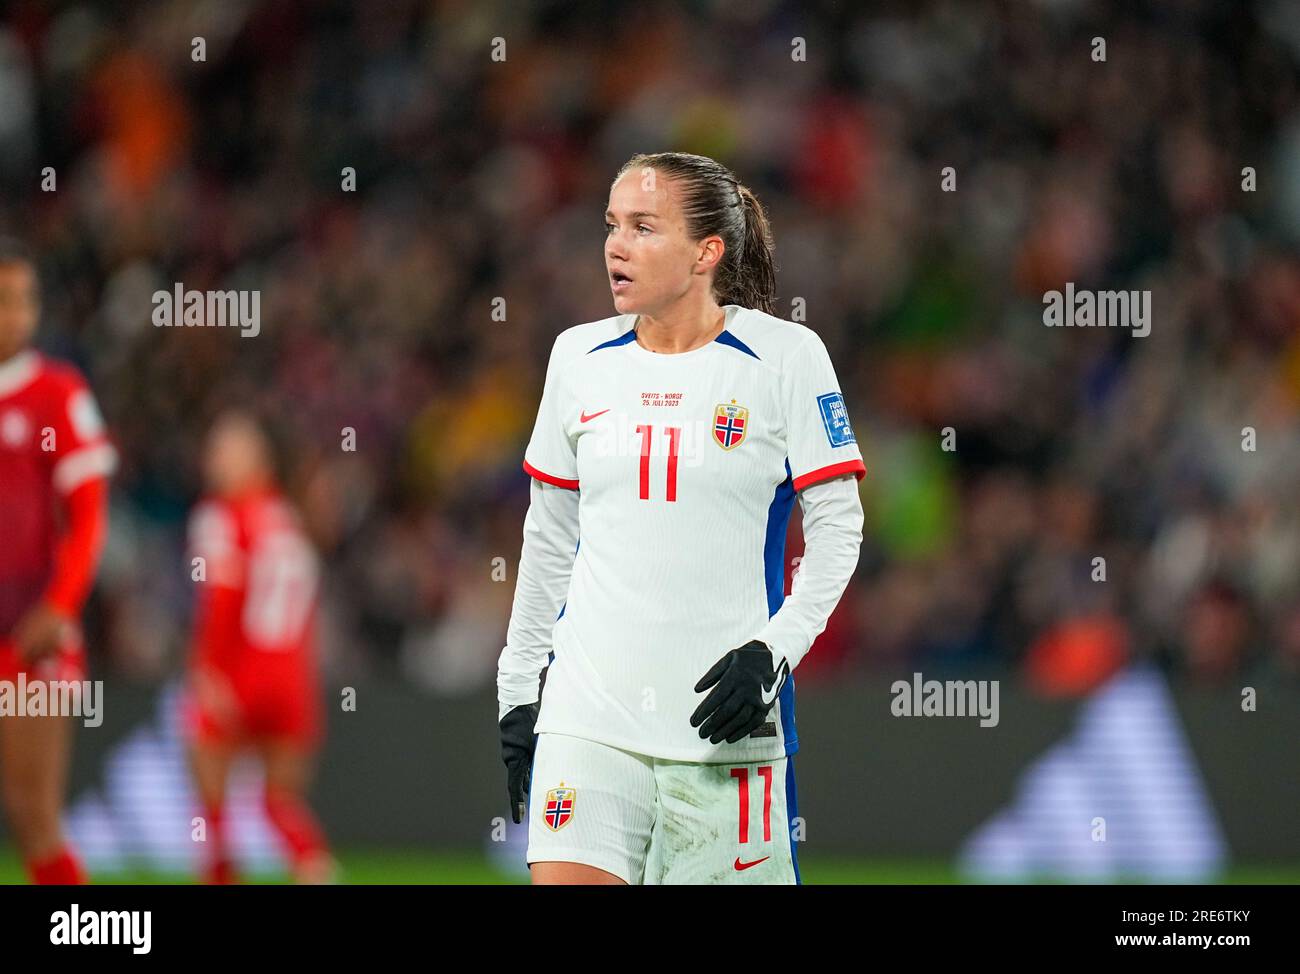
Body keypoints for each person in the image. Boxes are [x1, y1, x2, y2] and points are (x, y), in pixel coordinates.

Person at [497, 153, 865, 884]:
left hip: (723, 726)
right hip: (587, 719)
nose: (615, 245)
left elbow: (839, 530)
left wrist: (773, 652)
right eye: (611, 225)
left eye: (643, 227)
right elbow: (546, 539)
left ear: (707, 252)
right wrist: (518, 692)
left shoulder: (786, 357)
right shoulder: (578, 357)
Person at [0, 238, 115, 884]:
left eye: (23, 300)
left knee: (32, 812)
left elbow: (89, 516)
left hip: (30, 632)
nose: (14, 314)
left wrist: (60, 604)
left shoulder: (56, 393)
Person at [183, 410, 334, 883]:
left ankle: (221, 874)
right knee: (279, 803)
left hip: (241, 668)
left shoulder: (221, 516)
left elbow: (222, 596)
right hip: (292, 677)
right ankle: (318, 870)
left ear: (256, 458)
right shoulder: (288, 518)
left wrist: (207, 670)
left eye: (225, 449)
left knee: (211, 798)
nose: (215, 460)